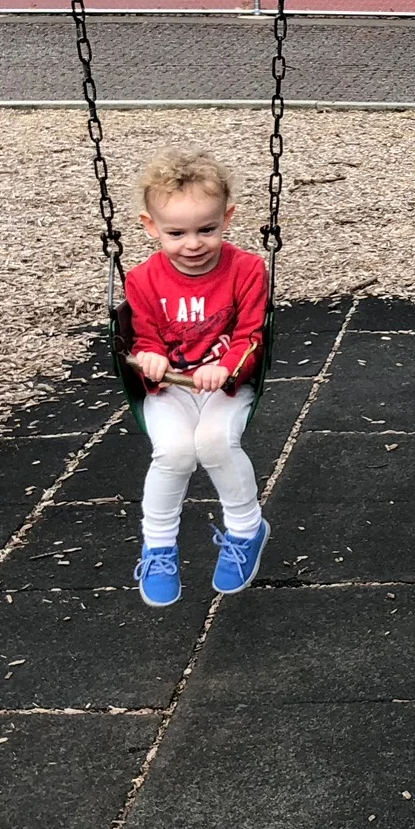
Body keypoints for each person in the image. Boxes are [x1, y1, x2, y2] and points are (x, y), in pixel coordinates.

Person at [124, 151, 270, 607]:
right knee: (173, 451)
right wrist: (149, 357)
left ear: (227, 218)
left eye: (207, 229)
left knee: (214, 443)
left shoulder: (247, 270)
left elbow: (252, 336)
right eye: (176, 233)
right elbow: (144, 336)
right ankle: (158, 546)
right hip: (171, 387)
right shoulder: (142, 279)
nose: (193, 244)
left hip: (226, 385)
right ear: (151, 227)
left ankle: (246, 530)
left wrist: (224, 368)